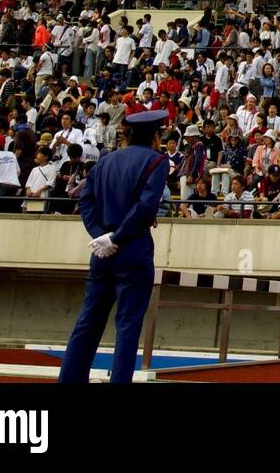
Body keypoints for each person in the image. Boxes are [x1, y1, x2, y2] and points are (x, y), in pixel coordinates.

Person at [59, 109, 170, 384]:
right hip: (133, 248)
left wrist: (101, 237)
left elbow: (85, 201)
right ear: (156, 136)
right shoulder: (157, 161)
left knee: (87, 323)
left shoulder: (105, 161)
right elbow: (145, 206)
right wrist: (117, 238)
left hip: (102, 252)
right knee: (128, 327)